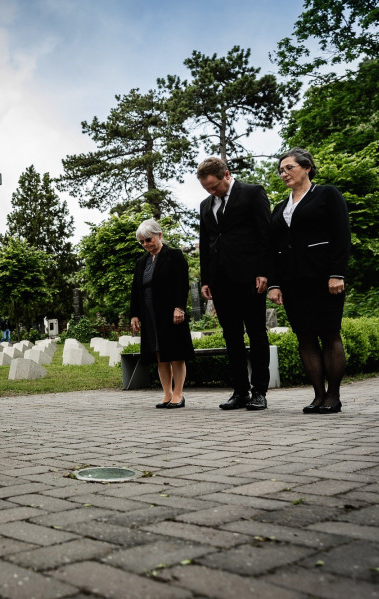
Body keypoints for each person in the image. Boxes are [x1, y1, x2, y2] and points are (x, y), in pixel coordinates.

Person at [267, 148, 351, 414]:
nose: (284, 173)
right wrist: (274, 284)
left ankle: (333, 396)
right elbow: (273, 249)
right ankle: (318, 396)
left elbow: (341, 235)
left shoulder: (327, 194)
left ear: (307, 168)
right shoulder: (280, 207)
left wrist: (337, 274)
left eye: (289, 168)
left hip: (324, 278)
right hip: (292, 282)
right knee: (304, 337)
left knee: (329, 333)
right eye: (281, 170)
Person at [197, 157, 272, 411]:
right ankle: (240, 391)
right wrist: (206, 279)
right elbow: (206, 243)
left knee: (256, 333)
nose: (211, 191)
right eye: (206, 188)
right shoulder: (205, 205)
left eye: (214, 186)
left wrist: (263, 271)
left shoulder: (253, 193)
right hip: (221, 281)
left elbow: (265, 234)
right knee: (231, 336)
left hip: (250, 278)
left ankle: (259, 391)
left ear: (226, 174)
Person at [130, 219, 195, 409]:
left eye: (148, 239)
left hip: (171, 312)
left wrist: (179, 307)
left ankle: (178, 394)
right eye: (142, 242)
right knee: (159, 353)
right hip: (149, 313)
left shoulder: (174, 255)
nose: (145, 244)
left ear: (159, 235)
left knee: (175, 353)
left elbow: (182, 283)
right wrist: (134, 315)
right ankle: (167, 393)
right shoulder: (141, 262)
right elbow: (135, 290)